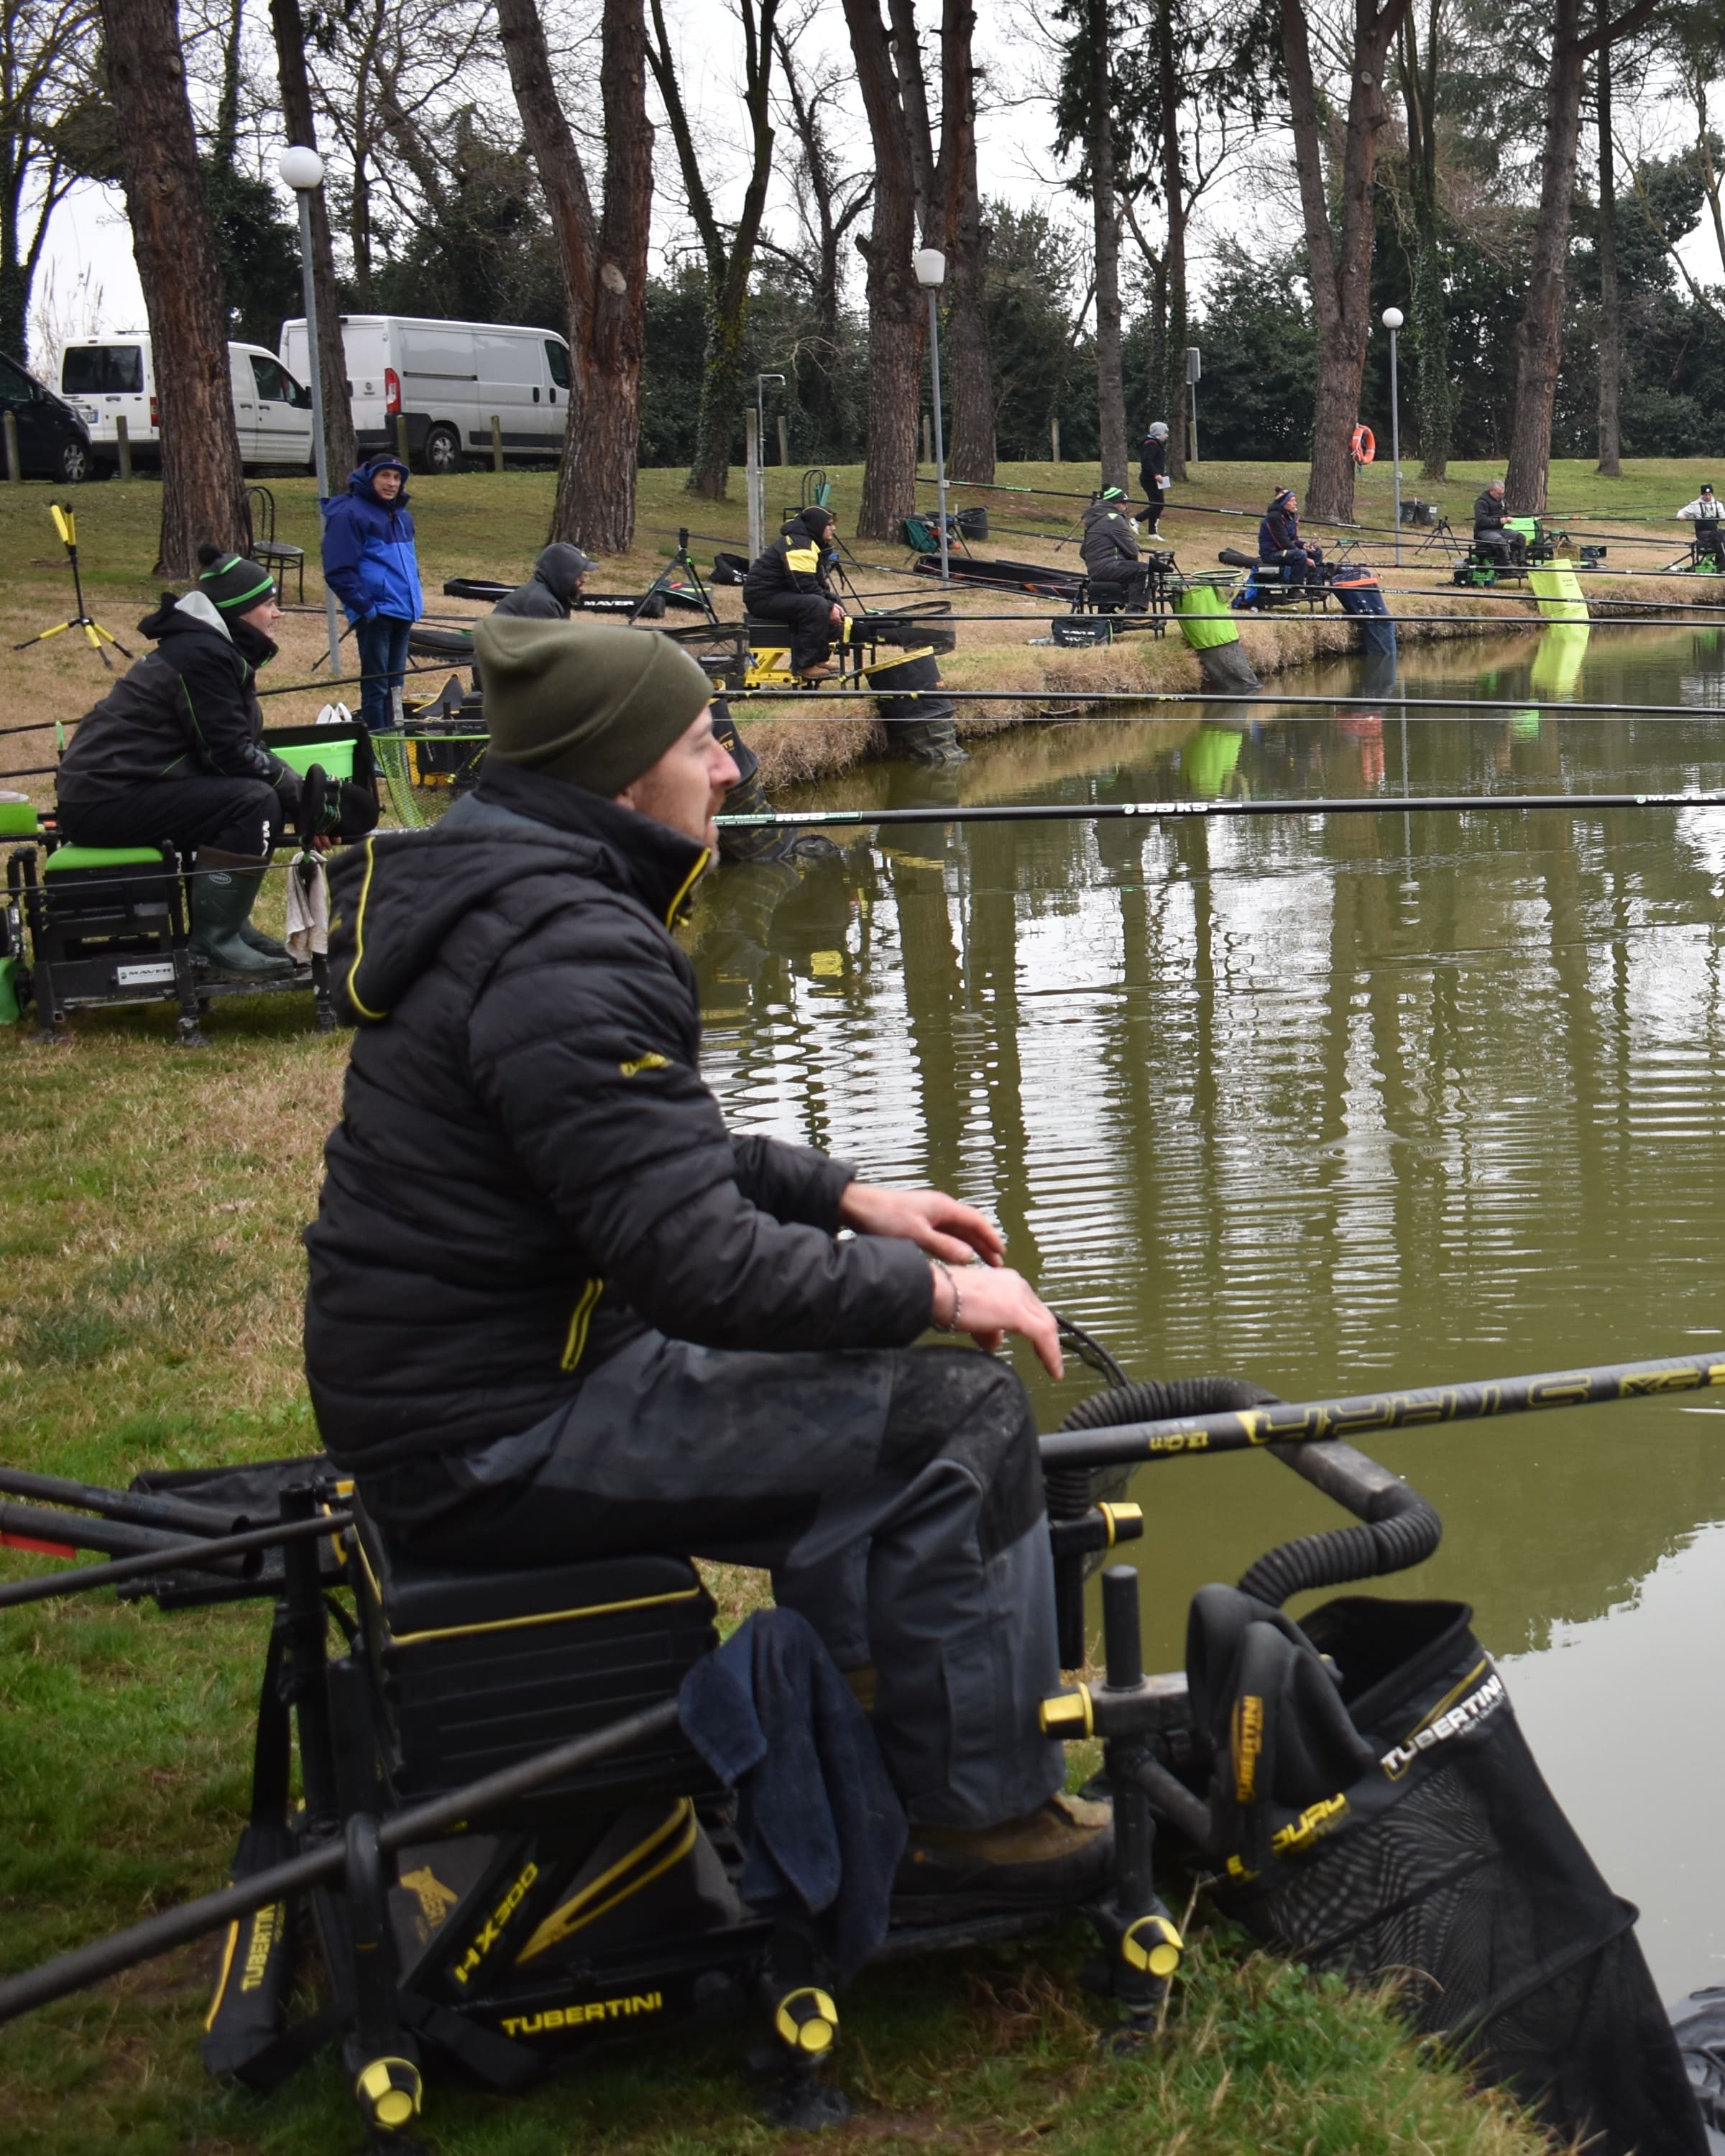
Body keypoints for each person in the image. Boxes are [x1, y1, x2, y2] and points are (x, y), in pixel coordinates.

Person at [303, 614, 1113, 1914]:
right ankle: (975, 1820)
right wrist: (946, 1294)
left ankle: (868, 1737)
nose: (731, 766)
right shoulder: (570, 945)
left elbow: (642, 1165)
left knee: (875, 1374)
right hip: (496, 1428)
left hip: (467, 1380)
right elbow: (699, 1269)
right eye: (700, 743)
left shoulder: (519, 895)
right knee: (960, 1421)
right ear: (621, 777)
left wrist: (850, 1196)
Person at [55, 545, 373, 980]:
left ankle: (230, 925)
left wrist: (299, 800)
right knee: (250, 800)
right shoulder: (201, 656)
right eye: (268, 604)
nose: (277, 614)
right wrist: (300, 798)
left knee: (260, 796)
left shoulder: (209, 649)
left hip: (117, 792)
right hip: (102, 800)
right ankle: (214, 941)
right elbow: (226, 754)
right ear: (239, 611)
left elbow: (242, 747)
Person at [322, 455, 423, 732]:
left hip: (403, 611)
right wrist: (367, 608)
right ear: (370, 477)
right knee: (376, 685)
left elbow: (409, 564)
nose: (392, 483)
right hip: (376, 614)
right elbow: (338, 570)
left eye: (397, 477)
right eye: (385, 476)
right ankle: (377, 745)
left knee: (395, 687)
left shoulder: (402, 515)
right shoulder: (350, 513)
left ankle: (395, 742)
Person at [742, 505, 845, 677]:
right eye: (829, 524)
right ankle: (804, 665)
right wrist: (828, 606)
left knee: (831, 601)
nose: (833, 528)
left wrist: (832, 603)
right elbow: (802, 585)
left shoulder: (810, 543)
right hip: (762, 598)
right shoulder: (799, 544)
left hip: (783, 594)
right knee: (817, 605)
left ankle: (820, 659)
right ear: (817, 525)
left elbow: (817, 582)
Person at [1080, 486, 1148, 609]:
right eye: (1124, 503)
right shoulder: (1114, 518)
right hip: (1107, 567)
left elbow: (1082, 553)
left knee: (1130, 569)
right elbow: (1132, 551)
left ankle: (1108, 610)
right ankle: (1135, 614)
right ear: (1115, 503)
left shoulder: (1095, 518)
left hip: (1095, 569)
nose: (1126, 506)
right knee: (1143, 570)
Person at [492, 543, 597, 620]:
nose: (584, 580)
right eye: (578, 574)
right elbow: (554, 647)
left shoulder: (552, 595)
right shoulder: (540, 602)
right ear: (562, 575)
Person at [1259, 487, 1325, 584]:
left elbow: (1293, 540)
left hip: (1286, 550)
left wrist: (1304, 545)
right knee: (1300, 555)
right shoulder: (1274, 517)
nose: (1296, 503)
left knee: (1316, 551)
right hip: (1272, 554)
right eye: (1292, 501)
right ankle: (1294, 588)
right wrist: (1305, 557)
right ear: (1284, 503)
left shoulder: (1291, 516)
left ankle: (1315, 585)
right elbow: (1283, 542)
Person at [1472, 479, 1526, 568]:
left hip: (1499, 530)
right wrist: (1499, 521)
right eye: (1499, 493)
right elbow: (1482, 521)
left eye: (1502, 494)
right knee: (1501, 542)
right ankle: (1506, 564)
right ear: (1492, 490)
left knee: (1521, 537)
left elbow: (1505, 514)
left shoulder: (1502, 501)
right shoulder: (1481, 502)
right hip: (1484, 531)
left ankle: (1521, 561)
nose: (1501, 496)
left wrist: (1508, 518)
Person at [1678, 484, 1725, 571]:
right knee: (1719, 534)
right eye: (1705, 495)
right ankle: (1723, 561)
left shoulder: (1718, 505)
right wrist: (1681, 517)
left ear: (1712, 495)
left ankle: (1720, 560)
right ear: (1702, 495)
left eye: (1710, 495)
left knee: (1720, 533)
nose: (1708, 497)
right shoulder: (1695, 505)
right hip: (1702, 534)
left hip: (1714, 532)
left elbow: (1723, 516)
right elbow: (1681, 513)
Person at [1138, 420, 1171, 533]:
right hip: (1150, 479)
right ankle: (1137, 520)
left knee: (1159, 504)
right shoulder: (1151, 444)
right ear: (1159, 432)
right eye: (1165, 433)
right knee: (1158, 504)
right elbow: (1147, 461)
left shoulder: (1156, 444)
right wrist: (1156, 474)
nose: (1167, 435)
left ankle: (1153, 531)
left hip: (1156, 479)